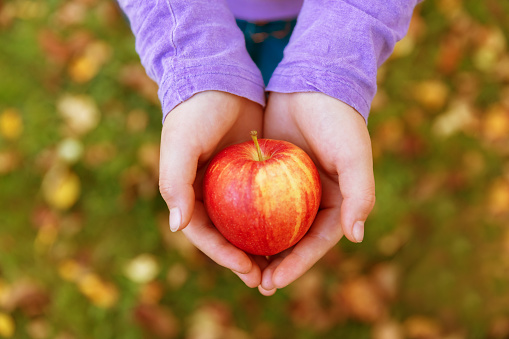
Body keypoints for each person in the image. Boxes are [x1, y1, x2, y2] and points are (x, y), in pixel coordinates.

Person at [117, 0, 420, 296]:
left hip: (325, 22)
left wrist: (330, 69)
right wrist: (195, 60)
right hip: (196, 16)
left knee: (288, 86)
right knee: (242, 89)